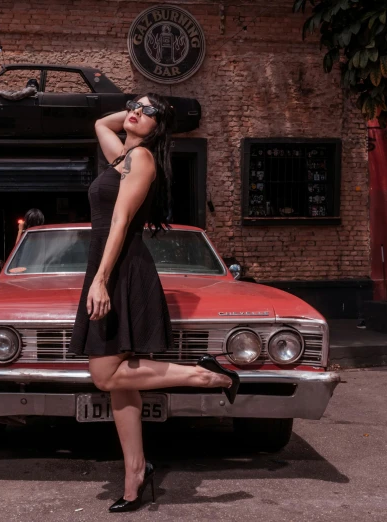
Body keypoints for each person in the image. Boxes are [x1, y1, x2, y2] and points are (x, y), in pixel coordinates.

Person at [68, 95, 240, 512]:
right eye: (133, 105)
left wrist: (102, 281)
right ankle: (136, 473)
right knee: (121, 383)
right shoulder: (120, 155)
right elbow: (100, 124)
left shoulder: (141, 159)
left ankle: (206, 376)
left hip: (123, 269)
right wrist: (139, 108)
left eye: (147, 112)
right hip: (109, 266)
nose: (135, 112)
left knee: (105, 375)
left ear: (159, 129)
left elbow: (121, 222)